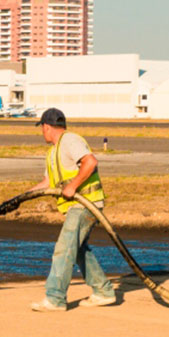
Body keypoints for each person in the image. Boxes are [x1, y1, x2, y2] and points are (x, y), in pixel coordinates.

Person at [27, 108, 116, 312]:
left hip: (85, 203)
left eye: (42, 128)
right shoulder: (53, 152)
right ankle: (103, 292)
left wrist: (73, 186)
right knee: (77, 250)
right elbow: (48, 182)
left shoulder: (70, 140)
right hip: (77, 205)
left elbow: (90, 162)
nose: (42, 132)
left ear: (47, 127)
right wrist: (23, 196)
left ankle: (55, 298)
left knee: (64, 248)